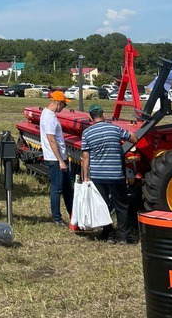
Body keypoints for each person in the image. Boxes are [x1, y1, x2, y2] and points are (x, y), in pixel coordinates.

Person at [81, 103, 138, 243]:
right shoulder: (114, 128)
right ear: (103, 115)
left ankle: (108, 233)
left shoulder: (87, 133)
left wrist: (86, 177)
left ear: (90, 117)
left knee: (103, 205)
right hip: (115, 175)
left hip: (98, 176)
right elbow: (133, 138)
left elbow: (86, 157)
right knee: (121, 205)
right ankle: (124, 236)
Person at [40, 90, 74, 225]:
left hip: (58, 158)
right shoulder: (49, 118)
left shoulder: (48, 114)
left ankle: (73, 215)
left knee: (67, 188)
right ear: (58, 103)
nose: (64, 107)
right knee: (57, 188)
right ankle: (57, 218)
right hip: (55, 159)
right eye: (64, 105)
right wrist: (61, 161)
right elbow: (51, 140)